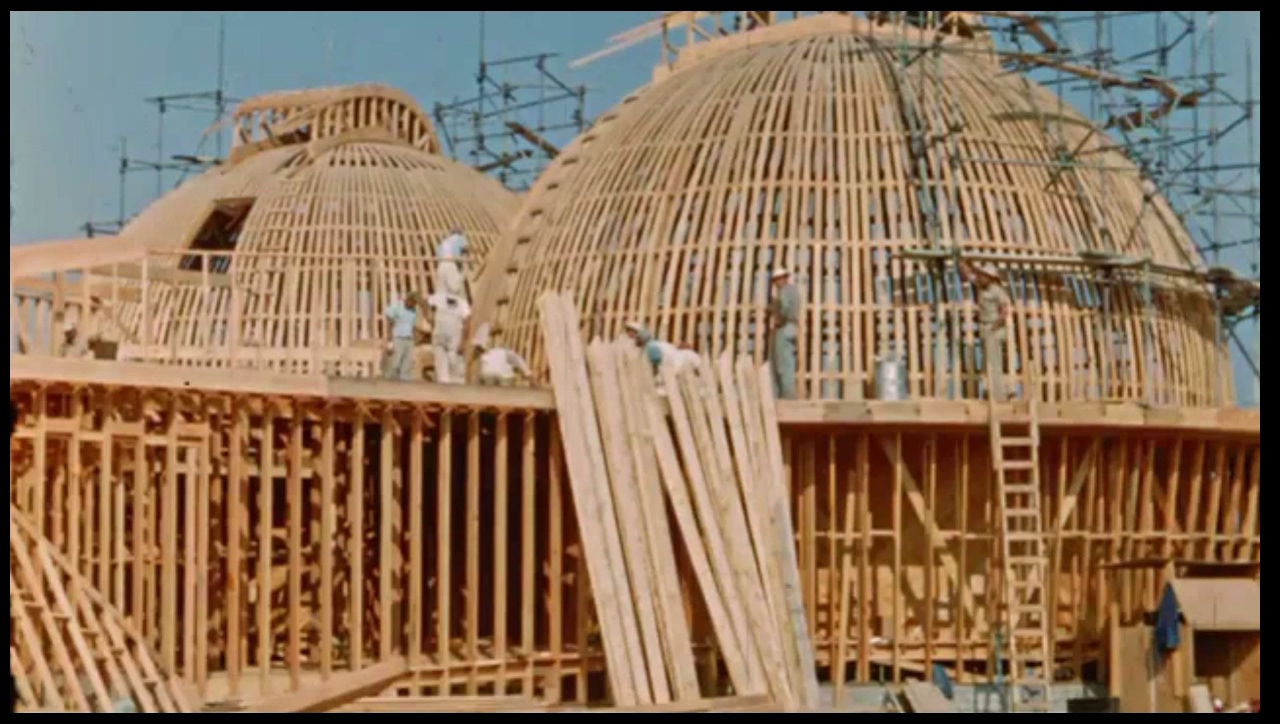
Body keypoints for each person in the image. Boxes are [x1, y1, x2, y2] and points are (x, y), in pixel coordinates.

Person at [960, 260, 1012, 402]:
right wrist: (962, 262)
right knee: (989, 361)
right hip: (986, 327)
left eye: (984, 275)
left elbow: (1005, 311)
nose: (981, 277)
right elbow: (970, 275)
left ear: (990, 277)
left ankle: (999, 395)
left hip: (993, 328)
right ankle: (994, 391)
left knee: (994, 363)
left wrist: (995, 325)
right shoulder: (981, 287)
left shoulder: (997, 291)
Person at [767, 267, 800, 400]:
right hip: (792, 328)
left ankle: (786, 395)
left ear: (783, 279)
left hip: (784, 327)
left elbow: (785, 308)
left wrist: (779, 320)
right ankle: (788, 394)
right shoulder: (794, 291)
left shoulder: (784, 291)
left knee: (781, 364)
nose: (776, 283)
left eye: (777, 279)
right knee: (788, 362)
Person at [427, 291, 471, 384]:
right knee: (441, 371)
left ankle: (456, 388)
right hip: (440, 338)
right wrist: (429, 318)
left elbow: (467, 324)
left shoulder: (462, 304)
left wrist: (463, 342)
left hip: (454, 339)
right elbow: (424, 301)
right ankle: (443, 387)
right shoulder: (439, 298)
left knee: (455, 368)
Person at [382, 292, 423, 381]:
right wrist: (389, 340)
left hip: (409, 339)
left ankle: (404, 383)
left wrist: (415, 338)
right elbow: (390, 322)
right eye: (413, 302)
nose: (414, 304)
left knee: (407, 363)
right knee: (395, 363)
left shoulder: (414, 310)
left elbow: (412, 325)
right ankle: (389, 382)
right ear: (408, 299)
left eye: (415, 303)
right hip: (398, 338)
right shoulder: (397, 306)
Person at [436, 226, 470, 300]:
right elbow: (466, 248)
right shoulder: (459, 238)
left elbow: (438, 252)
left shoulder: (444, 241)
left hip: (441, 265)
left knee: (443, 289)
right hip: (450, 264)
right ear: (459, 233)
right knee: (456, 289)